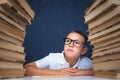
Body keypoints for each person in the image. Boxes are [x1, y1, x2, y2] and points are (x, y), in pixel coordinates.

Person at [24, 30, 93, 76]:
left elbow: (103, 70)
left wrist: (80, 72)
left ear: (83, 50)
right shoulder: (52, 58)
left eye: (77, 43)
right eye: (68, 41)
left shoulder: (86, 62)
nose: (71, 45)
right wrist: (57, 72)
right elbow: (26, 68)